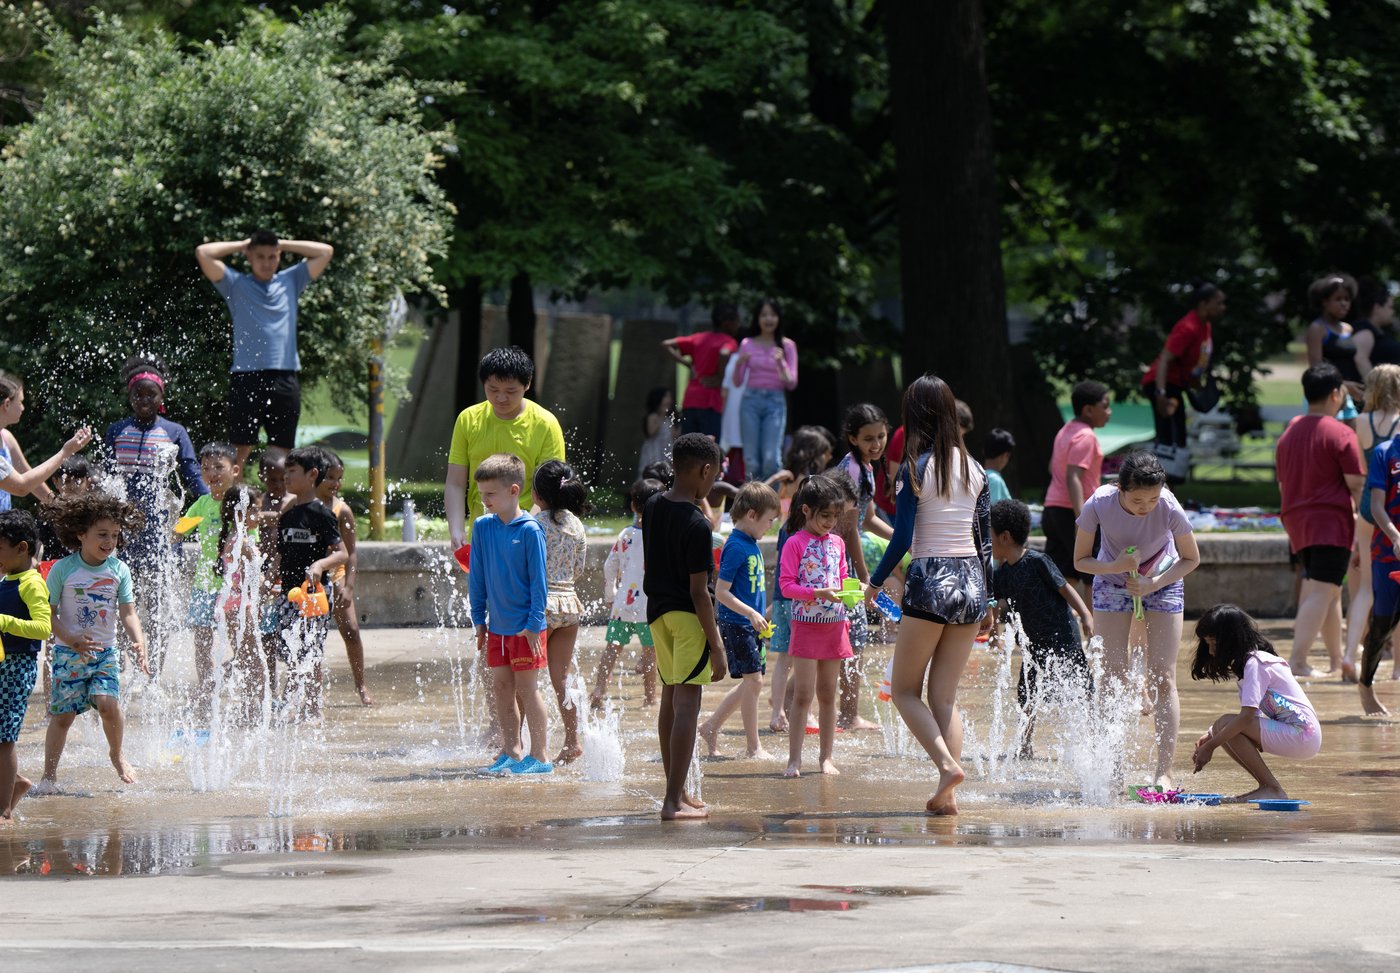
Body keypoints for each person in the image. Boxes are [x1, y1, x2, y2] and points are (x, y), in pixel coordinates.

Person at [869, 374, 992, 816]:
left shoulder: (913, 468)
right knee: (945, 696)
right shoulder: (976, 469)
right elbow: (985, 541)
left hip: (931, 580)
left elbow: (902, 537)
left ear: (913, 416)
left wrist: (874, 583)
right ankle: (948, 795)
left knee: (904, 690)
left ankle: (946, 766)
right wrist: (989, 599)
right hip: (972, 581)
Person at [1073, 450, 1201, 789]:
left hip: (1163, 579)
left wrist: (1153, 584)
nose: (1146, 507)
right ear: (1120, 488)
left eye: (1153, 499)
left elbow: (1191, 558)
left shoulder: (1169, 507)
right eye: (1137, 500)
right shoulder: (1099, 503)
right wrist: (1115, 566)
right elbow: (1080, 560)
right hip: (1112, 581)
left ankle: (1163, 771)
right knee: (1112, 676)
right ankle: (1114, 769)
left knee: (1163, 677)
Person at [34, 491, 150, 793]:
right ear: (81, 534)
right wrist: (71, 639)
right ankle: (49, 775)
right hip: (67, 653)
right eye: (102, 534)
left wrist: (139, 641)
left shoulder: (119, 570)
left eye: (114, 535)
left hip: (104, 653)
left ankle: (117, 754)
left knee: (108, 705)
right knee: (63, 716)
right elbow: (48, 612)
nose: (110, 541)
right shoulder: (63, 569)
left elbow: (128, 612)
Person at [196, 230, 335, 470]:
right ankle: (235, 495)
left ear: (279, 256)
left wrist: (283, 244)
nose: (267, 263)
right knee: (239, 450)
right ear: (249, 256)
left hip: (284, 375)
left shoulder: (291, 280)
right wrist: (243, 244)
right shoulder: (236, 284)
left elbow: (326, 252)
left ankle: (279, 495)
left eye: (272, 256)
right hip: (246, 375)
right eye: (260, 256)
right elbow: (203, 252)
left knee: (282, 451)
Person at [105, 355, 208, 674]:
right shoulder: (117, 431)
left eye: (151, 394)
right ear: (130, 397)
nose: (144, 400)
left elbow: (193, 478)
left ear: (162, 396)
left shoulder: (175, 432)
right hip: (123, 534)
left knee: (158, 606)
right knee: (119, 599)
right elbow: (107, 479)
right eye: (138, 394)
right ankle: (121, 663)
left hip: (161, 535)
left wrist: (212, 506)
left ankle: (154, 673)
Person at [643, 433, 728, 819]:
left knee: (670, 700)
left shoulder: (653, 505)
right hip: (688, 618)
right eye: (715, 475)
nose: (714, 483)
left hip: (657, 614)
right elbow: (699, 592)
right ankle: (673, 801)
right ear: (705, 470)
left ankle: (677, 791)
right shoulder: (697, 524)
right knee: (688, 705)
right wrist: (717, 644)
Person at [1275, 362, 1364, 677]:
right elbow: (1356, 484)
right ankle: (1298, 661)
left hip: (1297, 521)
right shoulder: (1341, 432)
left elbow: (1282, 482)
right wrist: (1364, 526)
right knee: (1322, 591)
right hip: (1330, 523)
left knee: (1330, 590)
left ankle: (1336, 661)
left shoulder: (1290, 431)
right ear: (1336, 394)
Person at [469, 453, 554, 776]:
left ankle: (541, 756)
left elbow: (539, 582)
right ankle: (511, 750)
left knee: (527, 690)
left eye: (490, 493)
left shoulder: (530, 530)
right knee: (502, 689)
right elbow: (477, 576)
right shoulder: (483, 527)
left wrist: (534, 624)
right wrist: (479, 619)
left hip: (526, 629)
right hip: (497, 628)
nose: (484, 499)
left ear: (514, 490)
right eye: (482, 493)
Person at [989, 499, 1093, 759]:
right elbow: (991, 602)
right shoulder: (1002, 574)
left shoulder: (1038, 561)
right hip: (1033, 643)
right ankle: (1025, 745)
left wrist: (1085, 614)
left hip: (1062, 636)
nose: (987, 542)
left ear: (1004, 537)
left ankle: (1095, 741)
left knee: (1082, 688)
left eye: (989, 535)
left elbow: (1065, 589)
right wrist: (991, 628)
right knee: (1026, 693)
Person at [1190, 605, 1321, 802]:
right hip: (1300, 735)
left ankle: (1272, 788)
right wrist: (1211, 734)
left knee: (1225, 724)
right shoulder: (1248, 664)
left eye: (1214, 643)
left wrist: (1211, 746)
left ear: (1231, 639)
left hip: (1302, 734)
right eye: (1207, 644)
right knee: (1222, 727)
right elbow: (1250, 718)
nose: (1210, 651)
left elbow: (1246, 718)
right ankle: (1267, 786)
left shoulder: (1256, 663)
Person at [445, 345, 566, 555]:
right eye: (493, 389)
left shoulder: (545, 424)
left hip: (529, 535)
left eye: (510, 391)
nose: (501, 398)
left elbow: (550, 490)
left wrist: (523, 529)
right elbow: (455, 483)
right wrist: (456, 529)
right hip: (482, 535)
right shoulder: (468, 420)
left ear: (527, 384)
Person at [699, 481, 781, 760]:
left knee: (752, 682)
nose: (771, 526)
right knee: (754, 682)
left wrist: (759, 616)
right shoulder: (735, 546)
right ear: (752, 515)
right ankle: (753, 747)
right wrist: (751, 613)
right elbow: (721, 593)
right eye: (769, 520)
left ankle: (711, 727)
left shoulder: (750, 543)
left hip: (750, 624)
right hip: (737, 623)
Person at [780, 475, 855, 778]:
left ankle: (826, 758)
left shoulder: (838, 543)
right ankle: (794, 760)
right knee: (803, 695)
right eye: (825, 515)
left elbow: (843, 578)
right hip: (806, 627)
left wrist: (854, 592)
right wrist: (817, 593)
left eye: (835, 516)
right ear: (806, 510)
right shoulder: (795, 543)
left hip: (835, 625)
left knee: (827, 694)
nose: (830, 522)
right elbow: (786, 586)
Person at [274, 446, 347, 721]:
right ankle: (299, 703)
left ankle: (309, 706)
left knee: (310, 649)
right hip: (288, 594)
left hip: (314, 594)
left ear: (312, 474)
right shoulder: (288, 515)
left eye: (292, 471)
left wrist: (319, 565)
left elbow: (342, 553)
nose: (286, 477)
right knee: (291, 650)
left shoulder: (321, 513)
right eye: (286, 472)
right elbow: (281, 555)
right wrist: (268, 579)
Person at [833, 405, 894, 730]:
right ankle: (848, 714)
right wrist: (866, 577)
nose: (876, 444)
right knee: (851, 639)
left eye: (881, 436)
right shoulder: (853, 470)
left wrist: (903, 540)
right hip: (840, 566)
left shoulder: (865, 467)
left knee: (841, 637)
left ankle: (787, 702)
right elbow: (848, 529)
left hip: (843, 561)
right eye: (868, 438)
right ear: (853, 438)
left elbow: (868, 519)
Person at [1345, 364, 1400, 683]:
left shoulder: (1361, 421)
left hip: (1369, 501)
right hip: (1392, 503)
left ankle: (1349, 655)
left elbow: (1360, 465)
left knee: (1365, 587)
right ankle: (1397, 668)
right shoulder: (1398, 422)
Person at [533, 459, 589, 766]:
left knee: (524, 679)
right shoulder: (576, 525)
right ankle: (572, 741)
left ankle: (521, 745)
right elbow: (578, 568)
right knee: (562, 679)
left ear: (537, 495)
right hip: (569, 605)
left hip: (541, 606)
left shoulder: (535, 524)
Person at [591, 478, 664, 711]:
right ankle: (650, 698)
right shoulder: (660, 536)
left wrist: (610, 594)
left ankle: (599, 690)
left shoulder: (625, 534)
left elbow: (609, 566)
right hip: (648, 607)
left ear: (633, 505)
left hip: (622, 603)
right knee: (650, 652)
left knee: (612, 648)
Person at [181, 442, 240, 719]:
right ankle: (205, 690)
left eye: (219, 467)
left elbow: (251, 538)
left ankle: (235, 682)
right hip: (204, 585)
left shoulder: (239, 502)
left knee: (240, 641)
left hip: (232, 587)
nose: (212, 473)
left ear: (234, 470)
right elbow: (179, 530)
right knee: (202, 642)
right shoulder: (202, 504)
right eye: (205, 468)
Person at [0, 510, 50, 821]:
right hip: (3, 665)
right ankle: (16, 783)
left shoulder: (32, 583)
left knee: (4, 738)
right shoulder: (7, 579)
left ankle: (3, 810)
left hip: (17, 669)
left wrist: (5, 622)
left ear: (22, 548)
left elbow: (43, 628)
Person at [1042, 381, 1111, 598]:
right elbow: (1073, 477)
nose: (1109, 412)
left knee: (1062, 576)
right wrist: (1082, 520)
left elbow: (1052, 467)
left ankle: (1056, 619)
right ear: (1088, 410)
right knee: (1094, 574)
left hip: (1052, 509)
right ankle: (1094, 622)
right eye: (1105, 406)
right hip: (1074, 512)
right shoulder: (1086, 436)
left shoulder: (1065, 431)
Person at [315, 451, 373, 706]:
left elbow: (351, 552)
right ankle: (309, 691)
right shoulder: (304, 505)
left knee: (351, 630)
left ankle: (361, 684)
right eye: (330, 477)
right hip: (311, 578)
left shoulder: (342, 510)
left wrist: (348, 586)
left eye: (339, 478)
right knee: (310, 638)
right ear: (315, 475)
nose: (335, 483)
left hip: (336, 576)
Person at [1143, 283, 1226, 452]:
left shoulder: (1205, 326)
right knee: (1171, 437)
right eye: (1218, 303)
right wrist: (1161, 394)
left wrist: (1197, 386)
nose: (1222, 307)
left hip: (1176, 385)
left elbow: (1194, 361)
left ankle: (1172, 466)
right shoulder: (1188, 327)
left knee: (1177, 435)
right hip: (1163, 384)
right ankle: (1164, 467)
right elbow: (1164, 360)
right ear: (1203, 304)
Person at [0, 376, 91, 510]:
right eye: (20, 402)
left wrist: (59, 507)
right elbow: (21, 487)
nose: (23, 408)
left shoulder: (7, 438)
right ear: (7, 404)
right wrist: (65, 452)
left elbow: (30, 479)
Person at [1359, 424, 1400, 716]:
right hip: (1388, 555)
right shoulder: (1385, 453)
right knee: (1382, 626)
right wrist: (1395, 537)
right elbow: (1376, 505)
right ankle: (1365, 685)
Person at [734, 299, 798, 480]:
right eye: (764, 315)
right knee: (751, 461)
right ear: (757, 318)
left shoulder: (787, 346)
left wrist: (781, 363)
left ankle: (771, 498)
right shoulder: (747, 343)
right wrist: (739, 364)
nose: (768, 319)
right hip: (750, 400)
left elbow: (791, 383)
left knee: (771, 460)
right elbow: (738, 382)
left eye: (773, 315)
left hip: (775, 402)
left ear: (779, 318)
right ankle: (752, 497)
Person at [662, 305, 741, 440]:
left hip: (690, 401)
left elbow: (666, 344)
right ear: (727, 323)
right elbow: (724, 353)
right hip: (710, 402)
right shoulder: (729, 341)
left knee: (688, 446)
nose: (738, 326)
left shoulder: (699, 338)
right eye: (737, 321)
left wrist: (687, 364)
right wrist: (720, 378)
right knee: (709, 447)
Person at [1304, 273, 1363, 409]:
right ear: (1324, 301)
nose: (1344, 303)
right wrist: (1343, 385)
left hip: (1348, 395)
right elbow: (1316, 369)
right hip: (1325, 396)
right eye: (1338, 299)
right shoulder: (1317, 328)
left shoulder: (1348, 329)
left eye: (1347, 299)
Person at [35, 456, 93, 562]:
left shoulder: (93, 513)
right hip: (54, 567)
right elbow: (37, 543)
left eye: (78, 481)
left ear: (88, 482)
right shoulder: (49, 513)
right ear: (56, 482)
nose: (72, 486)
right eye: (67, 481)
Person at [1349, 277, 1400, 378]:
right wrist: (1375, 386)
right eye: (1390, 307)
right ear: (1377, 307)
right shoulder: (1365, 330)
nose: (1392, 312)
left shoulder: (1379, 331)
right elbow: (1360, 359)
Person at [637, 387, 678, 477]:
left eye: (669, 397)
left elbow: (674, 436)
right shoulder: (653, 416)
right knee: (652, 472)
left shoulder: (669, 419)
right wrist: (662, 416)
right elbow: (651, 432)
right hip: (653, 451)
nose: (669, 399)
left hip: (666, 450)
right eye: (666, 396)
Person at [983, 428, 1015, 504]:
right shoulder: (995, 480)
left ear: (983, 451)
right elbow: (993, 509)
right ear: (1005, 455)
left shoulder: (978, 476)